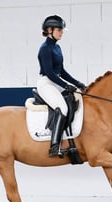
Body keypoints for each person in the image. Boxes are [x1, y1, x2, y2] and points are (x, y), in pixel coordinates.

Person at [37, 15, 86, 157]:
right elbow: (49, 73)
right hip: (47, 83)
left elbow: (61, 71)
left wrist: (77, 84)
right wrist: (65, 86)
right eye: (59, 30)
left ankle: (70, 140)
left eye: (62, 30)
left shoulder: (57, 47)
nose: (61, 32)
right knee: (62, 108)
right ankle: (54, 146)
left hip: (56, 82)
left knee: (76, 99)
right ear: (49, 30)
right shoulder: (45, 48)